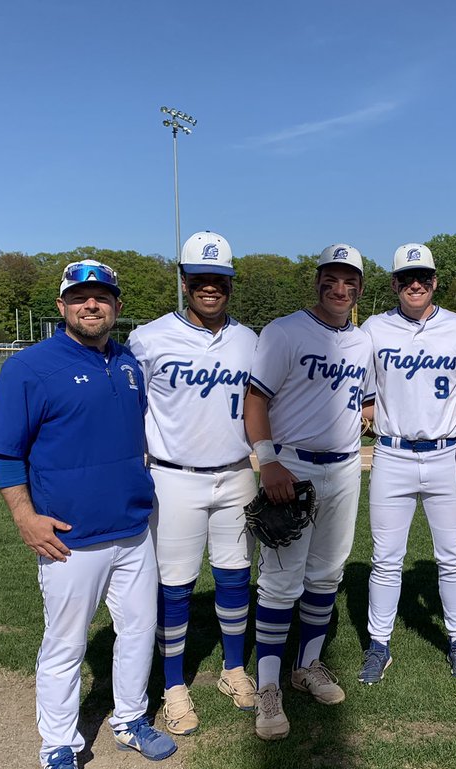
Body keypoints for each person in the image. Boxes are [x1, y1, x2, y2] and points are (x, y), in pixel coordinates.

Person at [0, 259, 176, 769]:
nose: (91, 305)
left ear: (116, 306)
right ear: (63, 306)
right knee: (66, 644)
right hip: (69, 538)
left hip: (133, 529)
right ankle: (59, 748)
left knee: (139, 631)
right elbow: (3, 450)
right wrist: (24, 514)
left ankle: (131, 718)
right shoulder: (31, 367)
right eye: (80, 297)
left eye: (102, 297)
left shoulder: (129, 364)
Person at [127, 232, 261, 736]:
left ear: (230, 283)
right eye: (200, 279)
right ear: (184, 281)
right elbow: (127, 405)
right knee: (175, 586)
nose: (210, 288)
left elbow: (261, 405)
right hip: (173, 477)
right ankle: (173, 684)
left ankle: (232, 670)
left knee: (233, 577)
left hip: (235, 474)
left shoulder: (250, 339)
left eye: (219, 280)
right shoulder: (149, 337)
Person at [243, 244, 373, 740]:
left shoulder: (362, 343)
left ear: (360, 288)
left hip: (343, 468)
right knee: (279, 581)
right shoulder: (284, 331)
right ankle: (269, 686)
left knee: (326, 575)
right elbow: (255, 400)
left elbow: (364, 402)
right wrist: (268, 460)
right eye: (331, 278)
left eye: (350, 281)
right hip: (291, 466)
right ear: (317, 281)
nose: (340, 288)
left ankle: (308, 665)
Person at [357, 243, 456, 684]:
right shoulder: (373, 328)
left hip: (446, 453)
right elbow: (364, 392)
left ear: (435, 281)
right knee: (385, 558)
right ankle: (379, 644)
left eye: (422, 276)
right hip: (391, 454)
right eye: (406, 278)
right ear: (394, 284)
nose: (415, 284)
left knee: (453, 557)